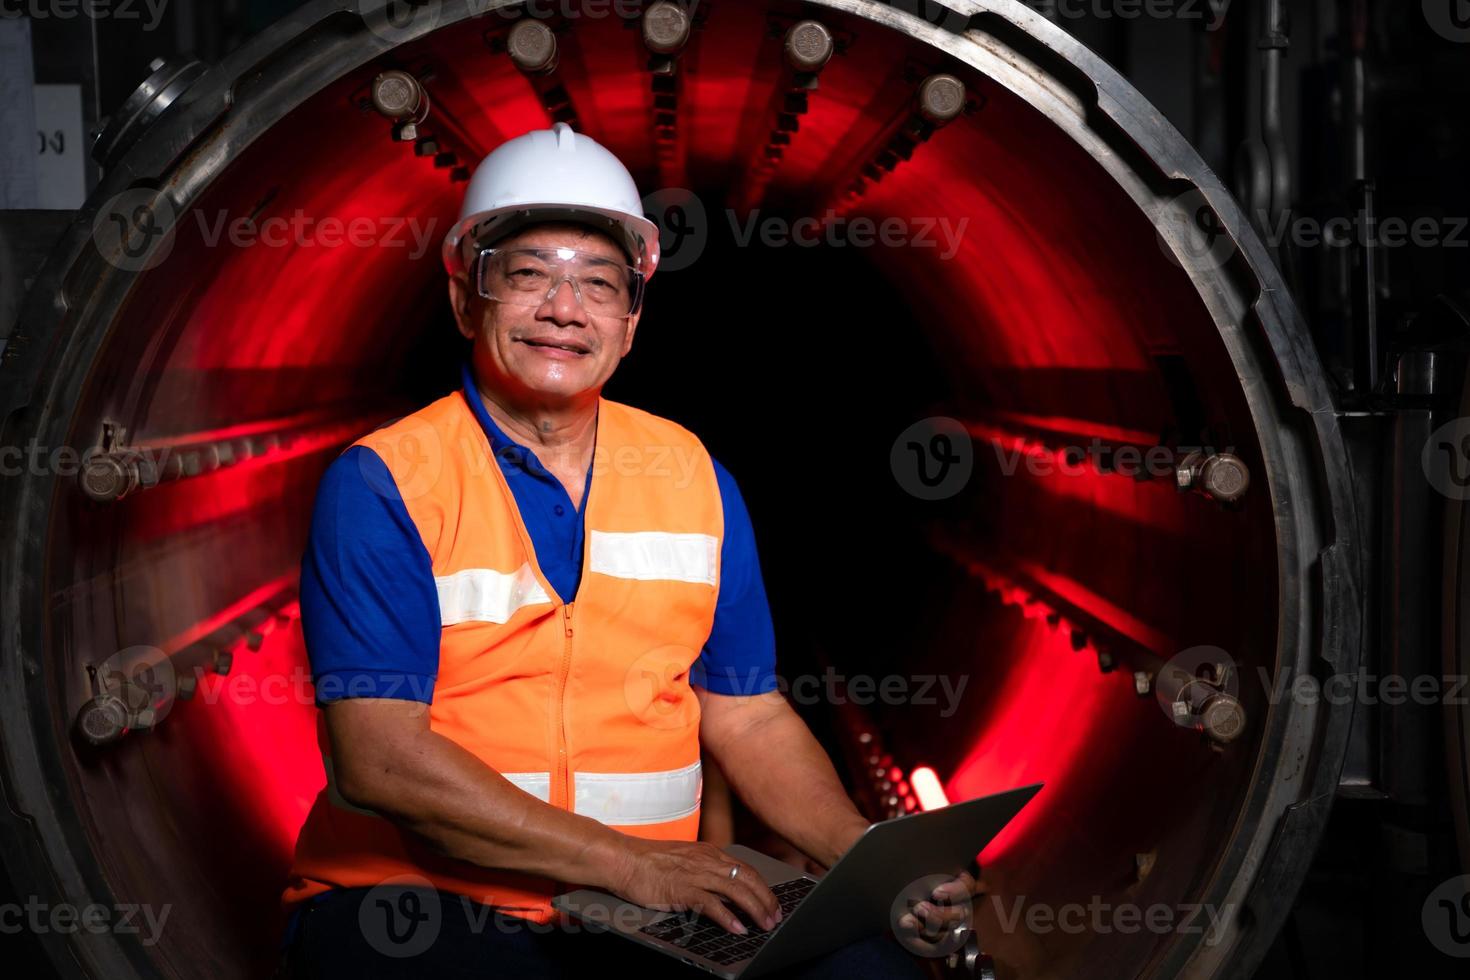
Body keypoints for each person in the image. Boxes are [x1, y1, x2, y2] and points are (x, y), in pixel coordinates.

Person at [275, 122, 974, 977]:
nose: (564, 309)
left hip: (643, 912)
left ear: (631, 322)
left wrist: (870, 859)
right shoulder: (385, 481)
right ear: (466, 297)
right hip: (424, 901)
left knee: (872, 971)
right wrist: (631, 863)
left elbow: (747, 713)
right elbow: (379, 756)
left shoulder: (692, 475)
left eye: (598, 285)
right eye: (528, 276)